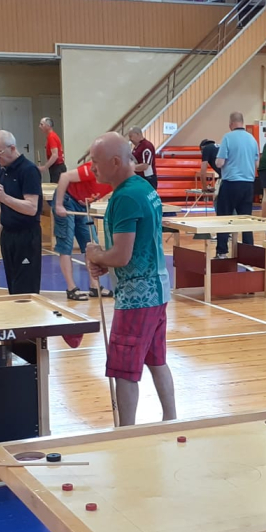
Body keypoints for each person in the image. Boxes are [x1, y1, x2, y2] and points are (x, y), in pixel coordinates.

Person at [85, 133, 176, 426]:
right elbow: (131, 249)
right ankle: (171, 420)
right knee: (156, 360)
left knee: (124, 370)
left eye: (95, 161)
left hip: (137, 297)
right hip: (157, 290)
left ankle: (125, 433)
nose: (91, 167)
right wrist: (104, 260)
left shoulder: (125, 197)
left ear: (115, 162)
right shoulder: (143, 187)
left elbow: (122, 256)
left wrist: (97, 255)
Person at [0, 131, 43, 294]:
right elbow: (4, 213)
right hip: (8, 236)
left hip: (26, 236)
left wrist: (4, 197)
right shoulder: (3, 171)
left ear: (12, 148)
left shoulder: (29, 170)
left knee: (25, 289)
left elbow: (31, 208)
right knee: (13, 288)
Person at [52, 158, 113, 300]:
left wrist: (90, 200)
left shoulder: (116, 179)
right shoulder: (94, 169)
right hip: (67, 200)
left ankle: (95, 286)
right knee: (66, 243)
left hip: (82, 204)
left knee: (91, 243)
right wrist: (59, 204)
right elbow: (64, 176)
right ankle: (71, 288)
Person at [214, 112, 259, 258]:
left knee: (224, 218)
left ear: (231, 124)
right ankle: (248, 253)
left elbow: (220, 162)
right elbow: (257, 164)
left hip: (231, 183)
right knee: (246, 219)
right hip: (248, 184)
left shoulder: (228, 137)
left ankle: (222, 252)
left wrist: (218, 162)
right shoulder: (252, 139)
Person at [41, 117, 65, 182]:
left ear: (48, 126)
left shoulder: (51, 137)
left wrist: (45, 167)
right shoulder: (51, 136)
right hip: (56, 167)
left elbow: (55, 155)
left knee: (56, 186)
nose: (40, 126)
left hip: (57, 167)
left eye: (42, 124)